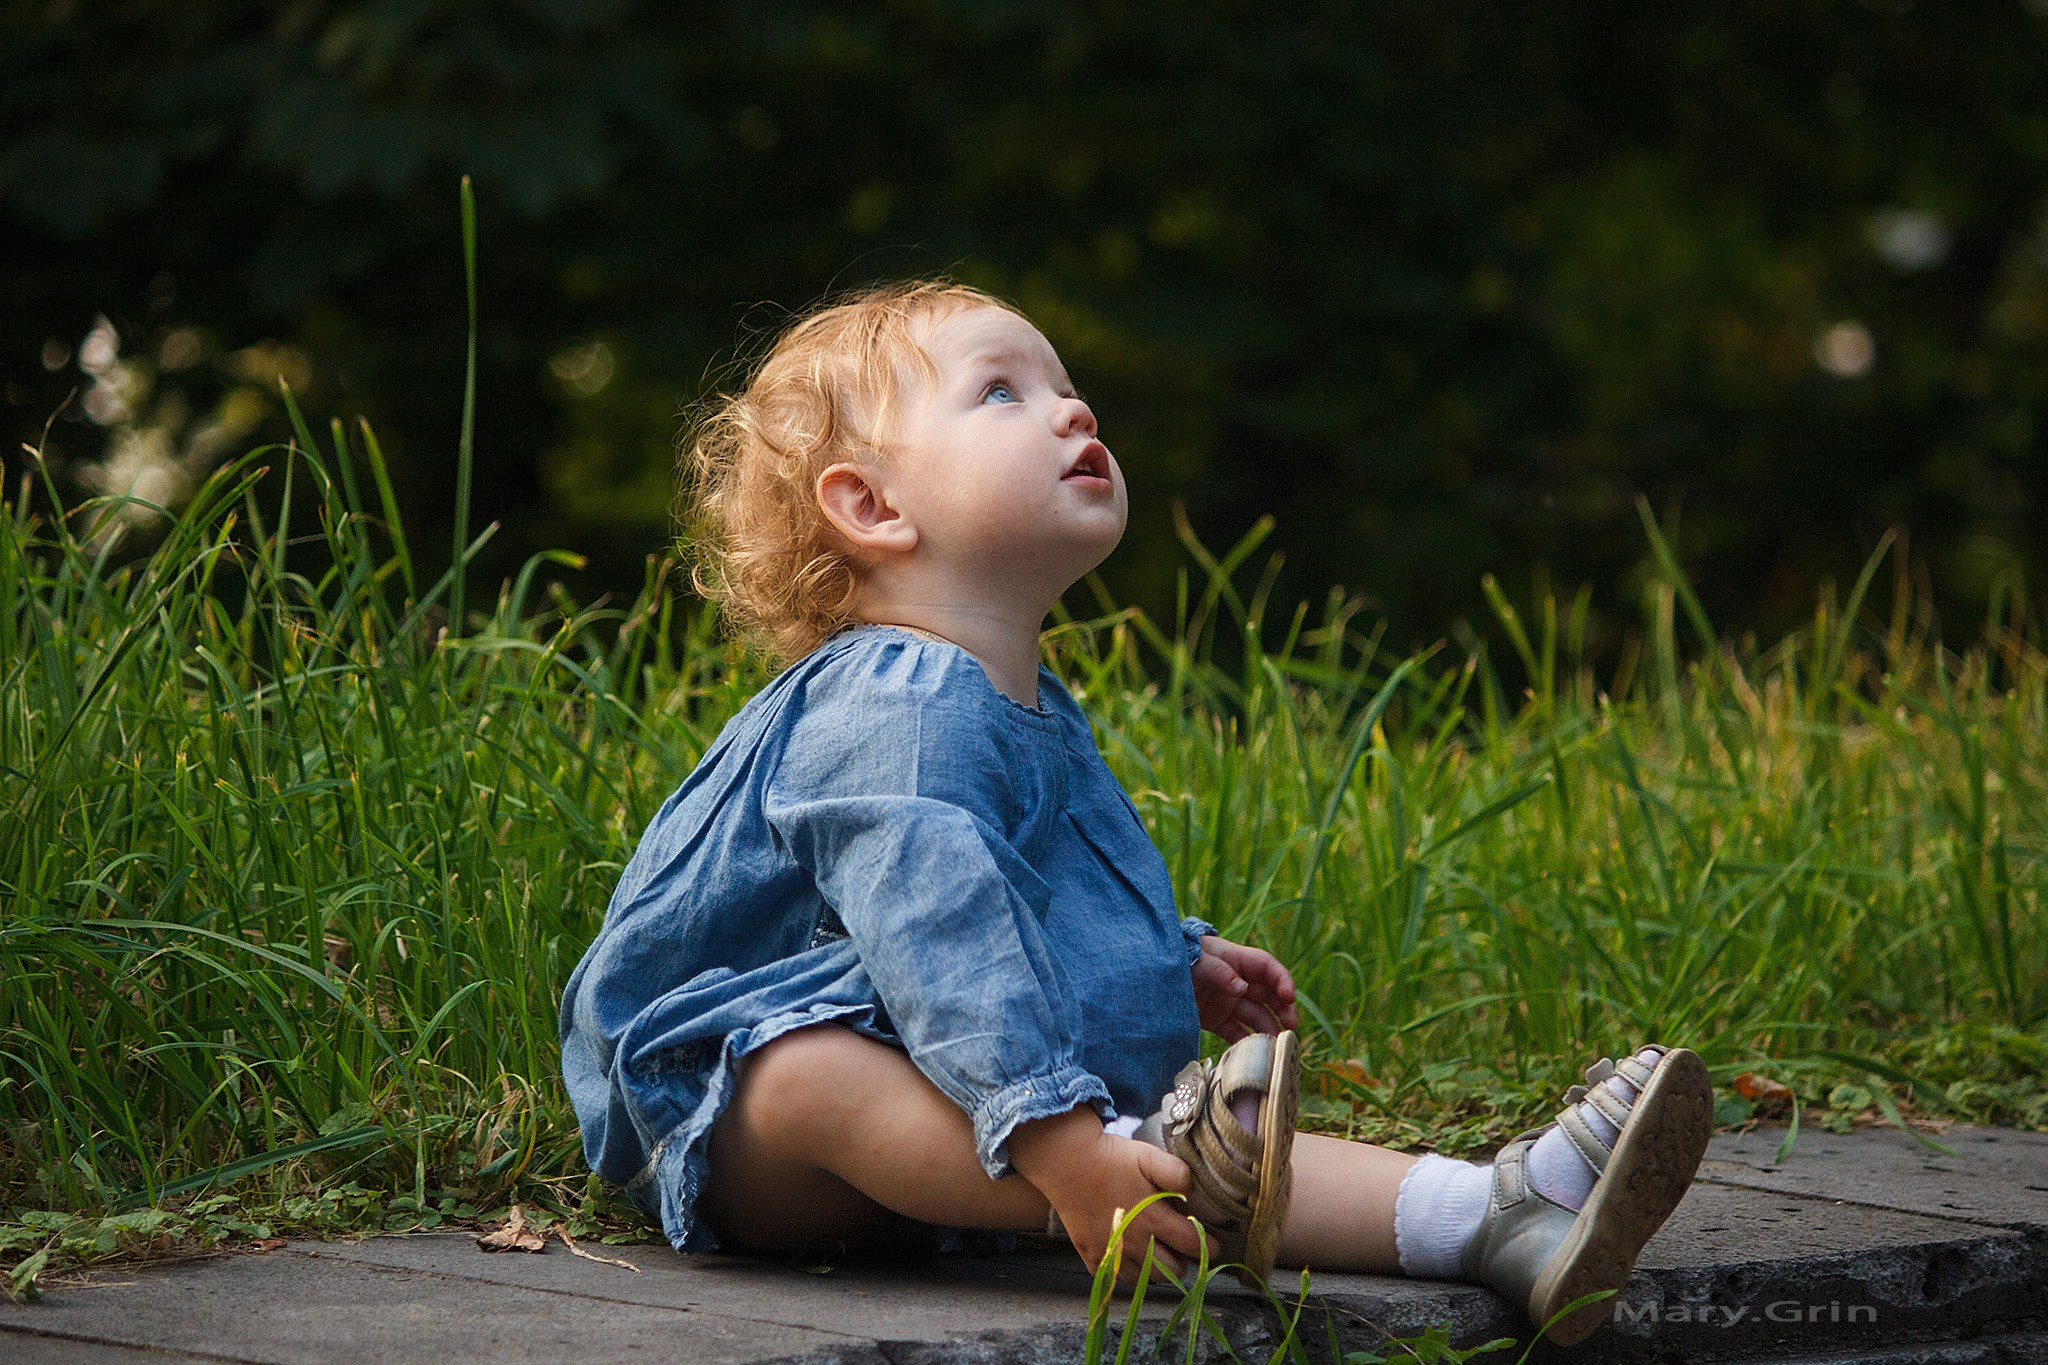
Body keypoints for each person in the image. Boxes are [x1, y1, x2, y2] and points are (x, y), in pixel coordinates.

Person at [558, 280, 1713, 1347]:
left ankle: (1499, 1214)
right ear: (869, 505)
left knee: (1214, 1160)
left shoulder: (1021, 698)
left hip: (958, 1111)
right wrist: (1063, 1149)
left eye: (1065, 386)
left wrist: (1171, 956)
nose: (1071, 410)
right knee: (805, 1074)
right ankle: (1125, 1161)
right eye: (1002, 392)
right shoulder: (893, 701)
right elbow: (939, 932)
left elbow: (1031, 886)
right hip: (732, 1128)